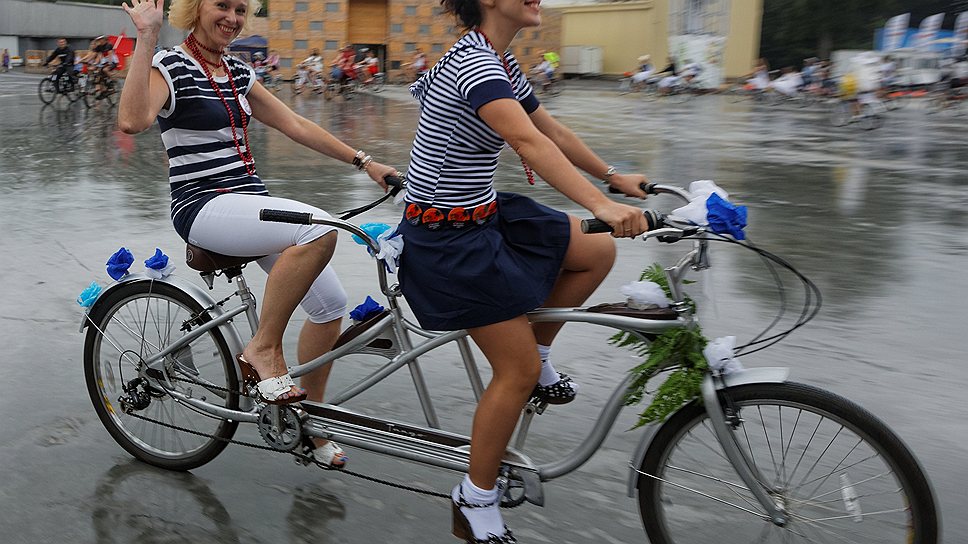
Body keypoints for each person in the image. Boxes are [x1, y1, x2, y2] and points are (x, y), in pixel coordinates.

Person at [398, 0, 654, 540]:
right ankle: (474, 498)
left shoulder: (502, 61)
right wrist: (604, 209)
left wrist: (614, 177)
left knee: (596, 252)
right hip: (445, 239)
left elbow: (551, 131)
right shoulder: (476, 65)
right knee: (510, 372)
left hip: (486, 215)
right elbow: (526, 142)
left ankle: (536, 354)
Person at [117, 0, 398, 468]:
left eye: (240, 9)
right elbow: (133, 120)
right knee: (317, 232)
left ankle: (308, 418)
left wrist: (366, 163)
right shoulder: (170, 65)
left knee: (330, 309)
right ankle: (263, 350)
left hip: (247, 200)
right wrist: (146, 37)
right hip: (202, 205)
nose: (231, 17)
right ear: (195, 9)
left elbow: (296, 124)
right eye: (221, 6)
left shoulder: (238, 73)